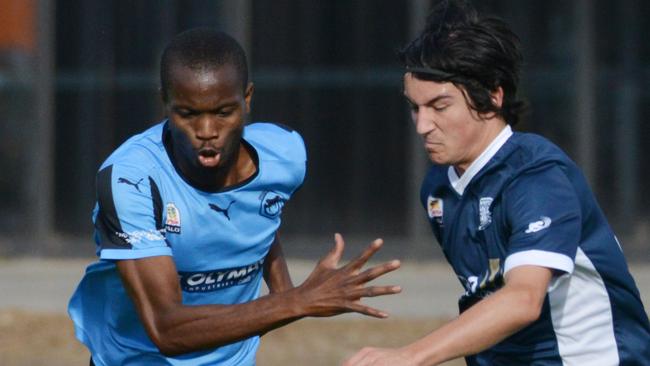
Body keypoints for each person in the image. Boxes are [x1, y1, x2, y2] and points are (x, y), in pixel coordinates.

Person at [68, 28, 402, 366]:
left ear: (248, 99)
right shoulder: (132, 179)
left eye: (224, 112)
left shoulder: (284, 155)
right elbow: (165, 328)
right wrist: (298, 301)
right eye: (188, 114)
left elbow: (258, 215)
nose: (207, 131)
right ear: (165, 103)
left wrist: (286, 291)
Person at [344, 1, 650, 365]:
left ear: (492, 96)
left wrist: (411, 356)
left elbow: (523, 300)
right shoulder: (438, 189)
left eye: (439, 107)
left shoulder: (537, 177)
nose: (422, 125)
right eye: (415, 107)